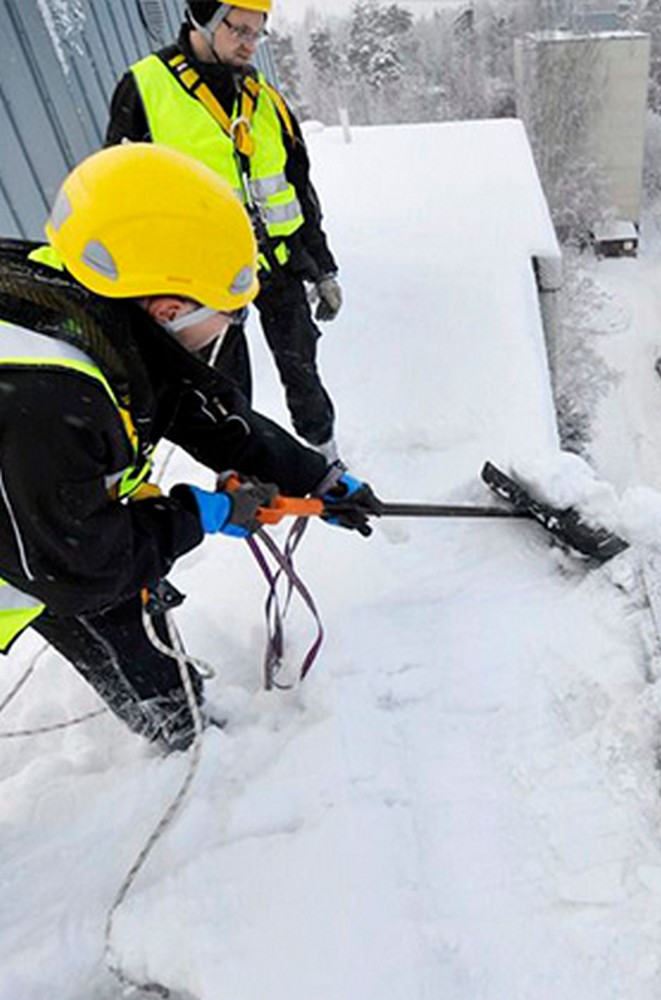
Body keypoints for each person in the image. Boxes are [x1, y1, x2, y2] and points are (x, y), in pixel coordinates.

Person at [0, 143, 380, 752]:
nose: (230, 330)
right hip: (46, 550)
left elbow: (195, 410)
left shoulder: (81, 299)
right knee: (114, 597)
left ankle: (180, 716)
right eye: (229, 316)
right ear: (170, 307)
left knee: (127, 598)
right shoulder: (47, 398)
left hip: (44, 526)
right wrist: (201, 514)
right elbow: (84, 568)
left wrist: (317, 478)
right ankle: (185, 733)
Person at [105, 0, 345, 463]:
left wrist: (324, 268)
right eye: (239, 30)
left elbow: (299, 188)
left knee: (304, 374)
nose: (249, 45)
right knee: (224, 390)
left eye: (258, 34)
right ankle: (245, 476)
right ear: (203, 19)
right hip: (202, 278)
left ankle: (325, 460)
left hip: (276, 263)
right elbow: (121, 194)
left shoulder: (266, 99)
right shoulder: (145, 89)